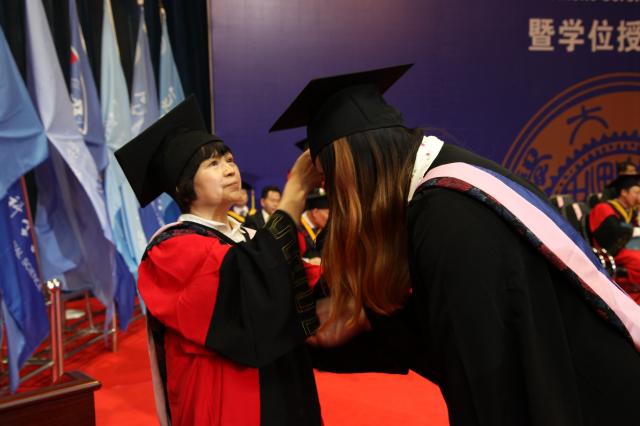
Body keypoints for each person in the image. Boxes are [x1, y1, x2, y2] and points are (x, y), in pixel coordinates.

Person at [271, 65, 640, 425]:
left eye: (330, 180)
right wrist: (371, 322)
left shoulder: (446, 216)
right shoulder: (451, 183)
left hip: (595, 399)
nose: (335, 198)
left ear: (358, 170)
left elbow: (482, 377)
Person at [115, 96, 322, 426]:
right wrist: (295, 192)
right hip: (229, 400)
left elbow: (303, 280)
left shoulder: (250, 235)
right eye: (212, 164)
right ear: (183, 185)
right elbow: (249, 285)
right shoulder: (170, 249)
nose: (230, 169)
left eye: (229, 159)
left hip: (283, 386)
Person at [589, 174, 640, 302]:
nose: (638, 197)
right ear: (624, 192)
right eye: (636, 192)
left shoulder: (632, 212)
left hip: (628, 249)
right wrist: (634, 230)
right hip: (612, 251)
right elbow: (612, 234)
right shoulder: (603, 208)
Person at [299, 188, 329, 262]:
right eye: (328, 213)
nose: (330, 218)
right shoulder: (294, 228)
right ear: (315, 212)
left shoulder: (328, 230)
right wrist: (308, 261)